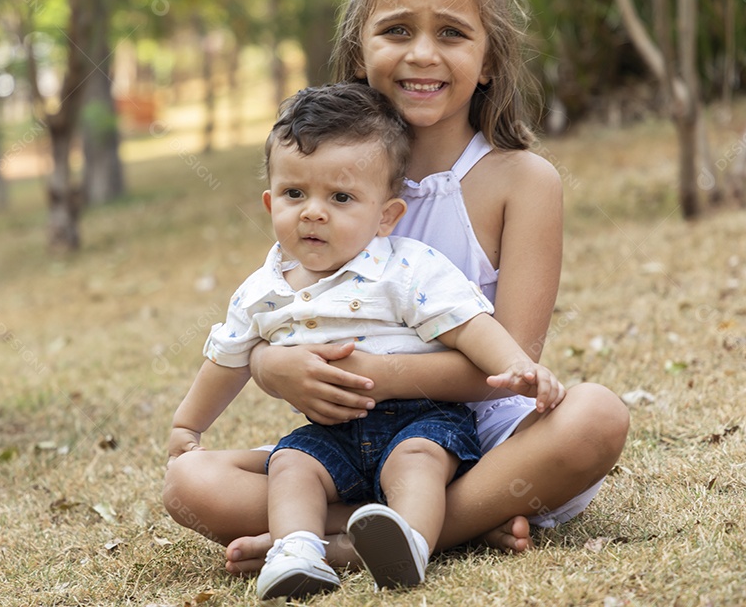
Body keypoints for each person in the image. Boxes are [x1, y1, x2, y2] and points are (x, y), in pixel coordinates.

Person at [163, 0, 630, 575]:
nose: (421, 55)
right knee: (189, 485)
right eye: (396, 30)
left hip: (481, 438)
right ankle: (442, 523)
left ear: (490, 56)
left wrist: (373, 379)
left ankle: (367, 535)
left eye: (452, 33)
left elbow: (508, 369)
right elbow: (282, 307)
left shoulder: (522, 182)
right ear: (359, 50)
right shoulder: (328, 179)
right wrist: (269, 366)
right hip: (348, 441)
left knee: (597, 417)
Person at [167, 83, 566, 599]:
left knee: (417, 460)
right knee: (292, 465)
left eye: (340, 198)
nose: (313, 212)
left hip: (422, 418)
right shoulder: (260, 291)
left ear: (385, 216)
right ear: (270, 204)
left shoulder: (402, 267)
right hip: (334, 433)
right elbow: (227, 360)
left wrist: (516, 365)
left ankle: (413, 542)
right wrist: (186, 426)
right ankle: (297, 551)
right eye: (295, 194)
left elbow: (467, 324)